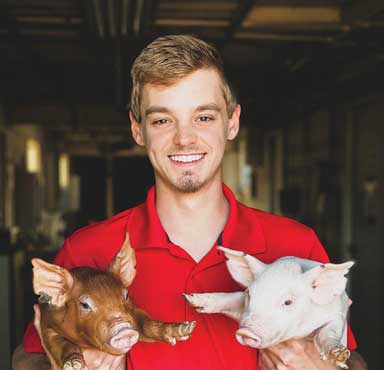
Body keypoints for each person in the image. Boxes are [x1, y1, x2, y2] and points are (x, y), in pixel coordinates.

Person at [13, 34, 367, 370]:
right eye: (163, 119)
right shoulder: (87, 250)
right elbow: (28, 355)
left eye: (204, 117)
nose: (184, 139)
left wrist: (322, 366)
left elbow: (350, 357)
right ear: (138, 130)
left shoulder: (294, 246)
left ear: (232, 122)